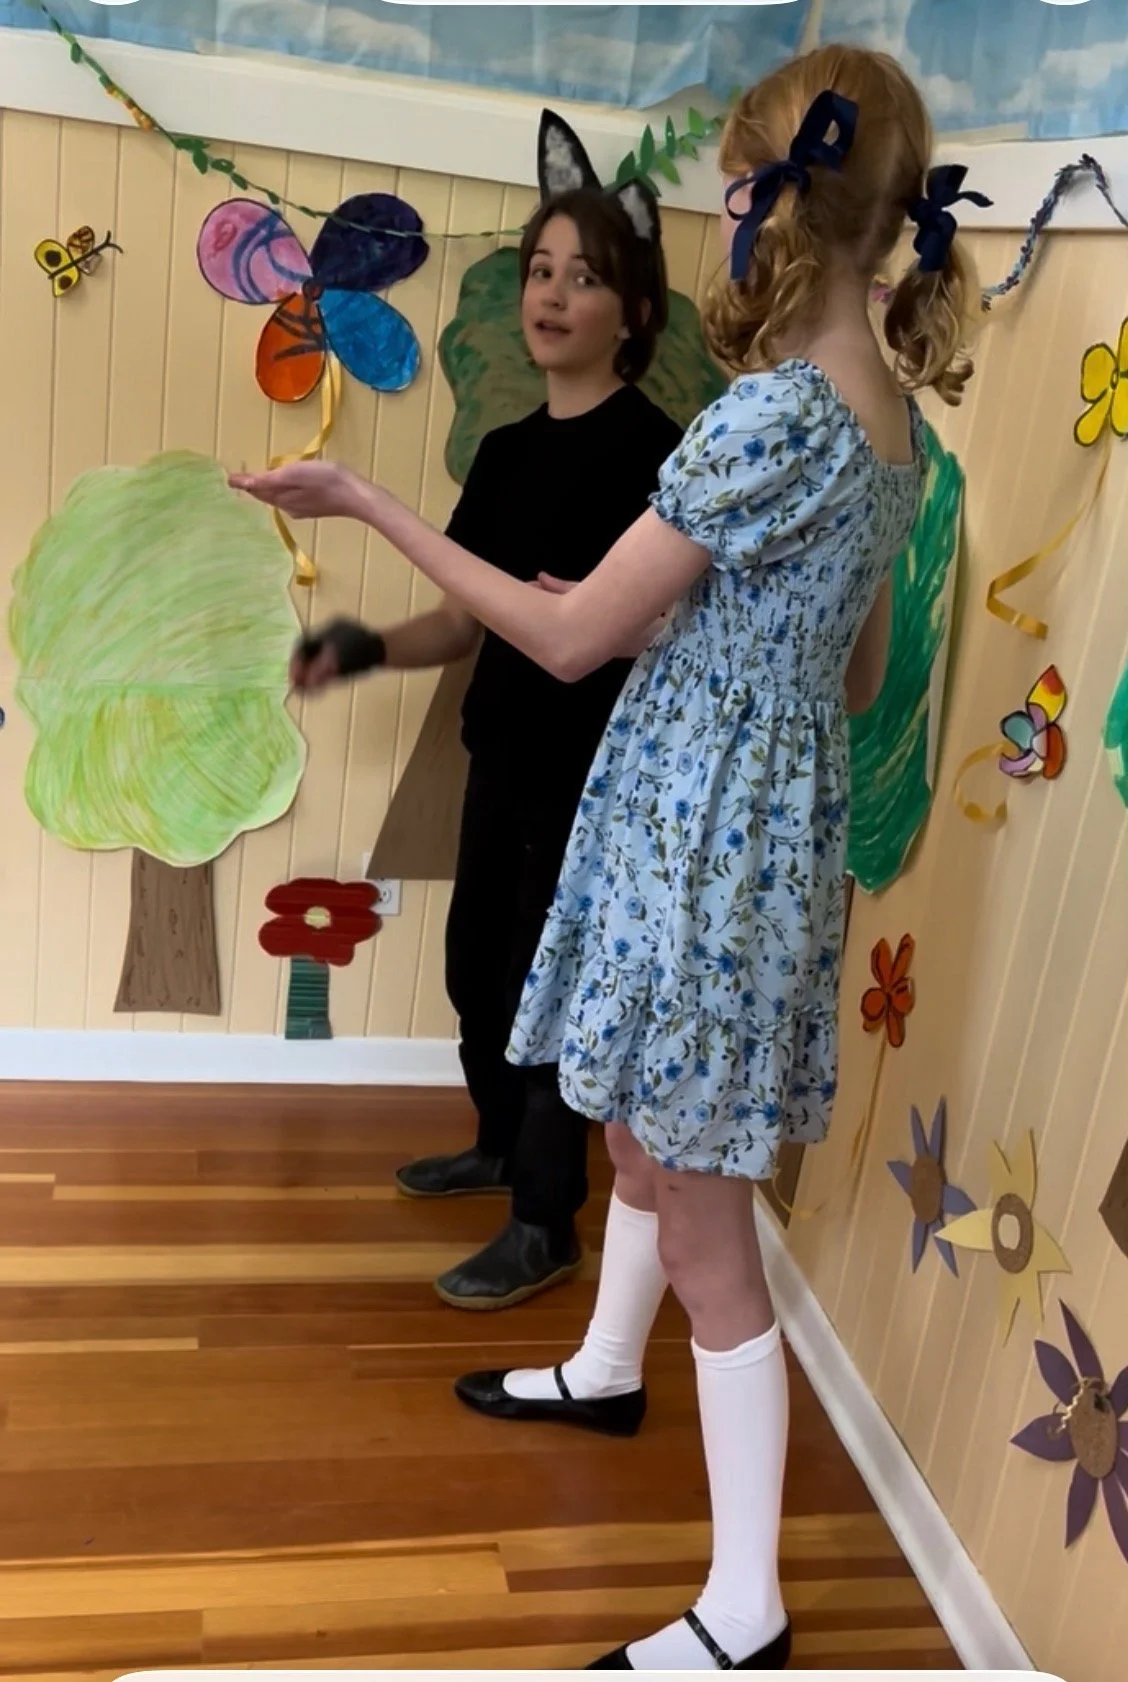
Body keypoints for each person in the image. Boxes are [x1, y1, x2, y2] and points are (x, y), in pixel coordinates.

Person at [235, 41, 982, 1674]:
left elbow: (565, 637)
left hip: (693, 840)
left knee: (706, 1224)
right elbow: (850, 672)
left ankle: (743, 1609)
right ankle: (602, 1366)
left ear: (771, 206)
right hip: (755, 829)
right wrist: (695, 639)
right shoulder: (889, 434)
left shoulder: (766, 418)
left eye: (730, 190)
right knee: (643, 1135)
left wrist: (363, 498)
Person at [286, 111, 682, 1312]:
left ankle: (544, 1220)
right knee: (477, 971)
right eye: (539, 271)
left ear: (635, 312)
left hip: (593, 781)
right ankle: (502, 1146)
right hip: (500, 759)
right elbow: (465, 620)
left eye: (584, 277)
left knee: (546, 993)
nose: (552, 295)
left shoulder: (658, 459)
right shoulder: (506, 454)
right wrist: (365, 645)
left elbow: (648, 628)